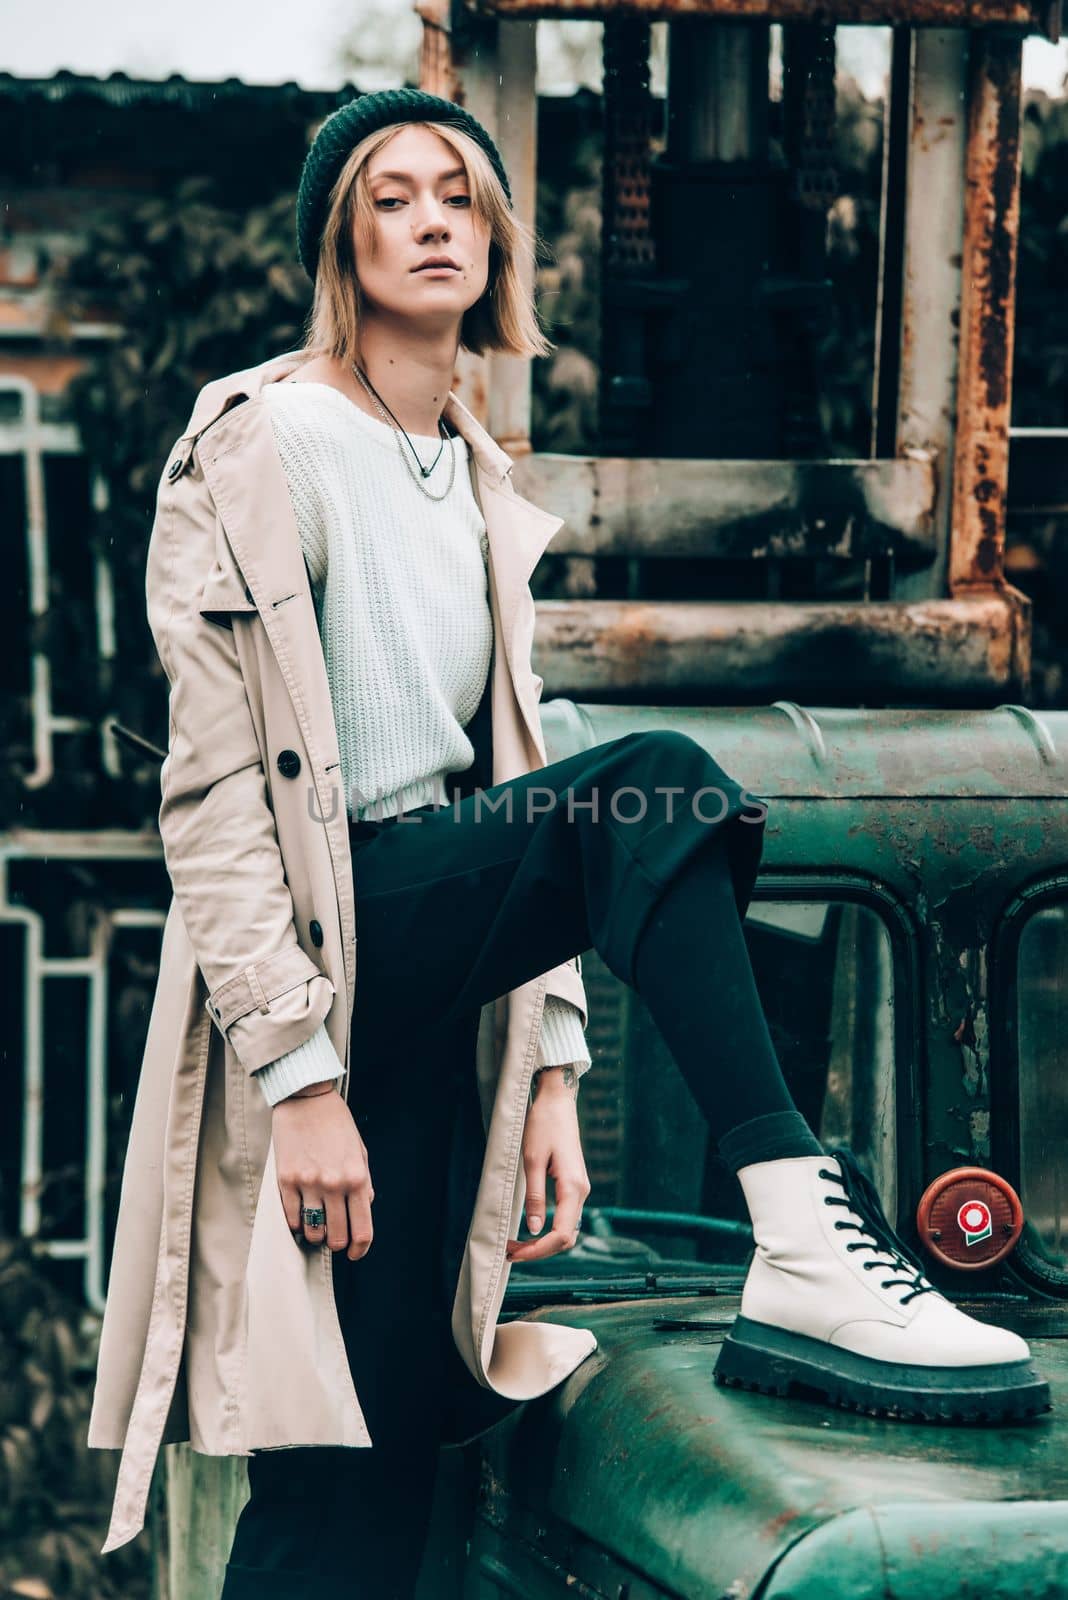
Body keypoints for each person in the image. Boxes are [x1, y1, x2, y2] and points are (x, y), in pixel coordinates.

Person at [129, 89, 1043, 1599]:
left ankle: (800, 1236)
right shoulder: (263, 435)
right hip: (336, 934)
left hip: (439, 965)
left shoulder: (483, 479)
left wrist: (553, 1065)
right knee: (663, 780)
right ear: (340, 247)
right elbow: (216, 795)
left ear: (496, 242)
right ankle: (801, 1226)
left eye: (460, 199)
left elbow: (520, 765)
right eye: (392, 200)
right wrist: (296, 1076)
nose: (432, 223)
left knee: (381, 1447)